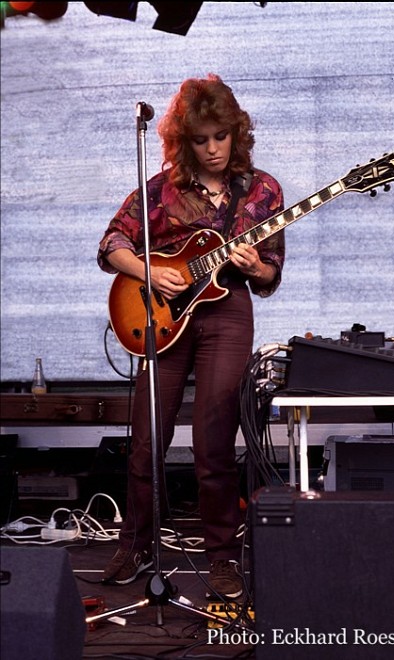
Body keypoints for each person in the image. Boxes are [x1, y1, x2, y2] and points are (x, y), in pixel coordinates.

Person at [97, 73, 285, 600]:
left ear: (236, 133)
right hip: (162, 317)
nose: (213, 149)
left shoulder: (264, 190)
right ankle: (135, 544)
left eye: (221, 137)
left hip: (228, 315)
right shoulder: (162, 190)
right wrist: (150, 273)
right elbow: (111, 244)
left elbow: (271, 272)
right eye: (201, 140)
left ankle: (222, 557)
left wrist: (255, 265)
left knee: (214, 441)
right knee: (146, 440)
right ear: (185, 142)